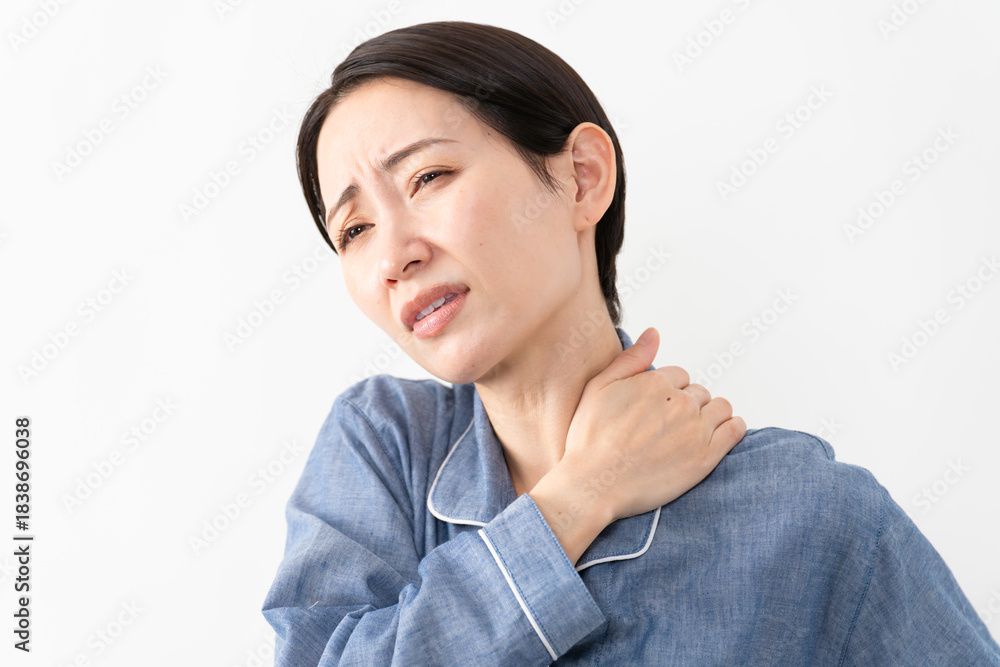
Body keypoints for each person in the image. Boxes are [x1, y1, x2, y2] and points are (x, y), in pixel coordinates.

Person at [261, 20, 1000, 665]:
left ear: (582, 179)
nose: (393, 257)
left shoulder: (809, 513)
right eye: (354, 230)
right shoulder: (383, 446)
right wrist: (580, 494)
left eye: (428, 177)